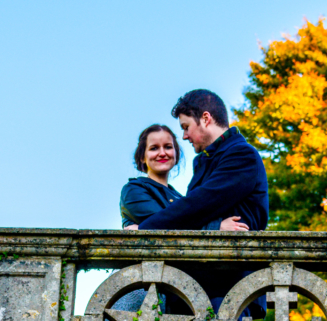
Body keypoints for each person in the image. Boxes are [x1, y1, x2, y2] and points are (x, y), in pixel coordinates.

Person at [125, 89, 269, 320]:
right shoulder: (206, 161)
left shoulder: (241, 155)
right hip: (196, 289)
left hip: (229, 289)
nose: (184, 136)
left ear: (205, 118)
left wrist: (143, 229)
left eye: (185, 127)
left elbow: (198, 205)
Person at [113, 124, 249, 312]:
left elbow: (178, 222)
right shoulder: (134, 190)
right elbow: (164, 227)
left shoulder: (183, 198)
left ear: (176, 153)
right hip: (144, 292)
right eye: (154, 148)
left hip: (177, 289)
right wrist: (216, 227)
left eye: (168, 147)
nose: (162, 152)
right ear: (142, 157)